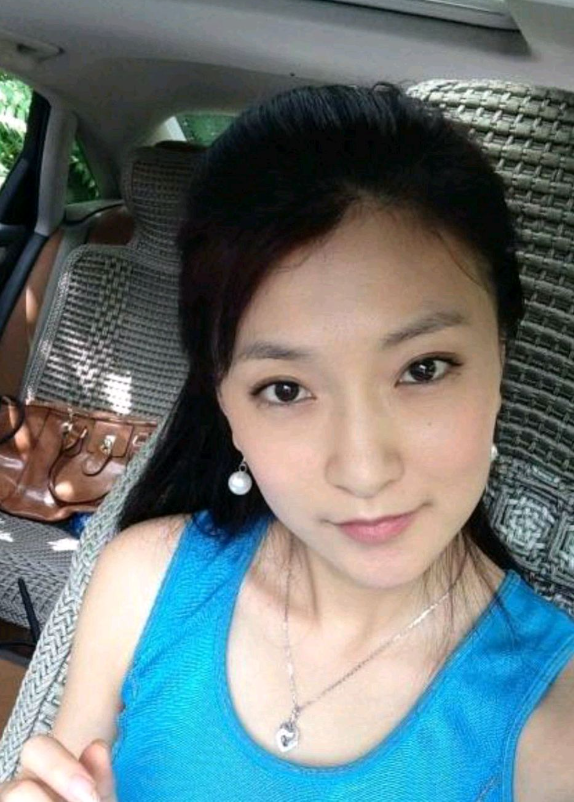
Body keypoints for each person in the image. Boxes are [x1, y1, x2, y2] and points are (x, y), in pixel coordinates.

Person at [2, 82, 573, 802]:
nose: (364, 469)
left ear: (500, 360)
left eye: (423, 369)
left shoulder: (555, 728)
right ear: (225, 404)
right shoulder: (143, 581)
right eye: (285, 389)